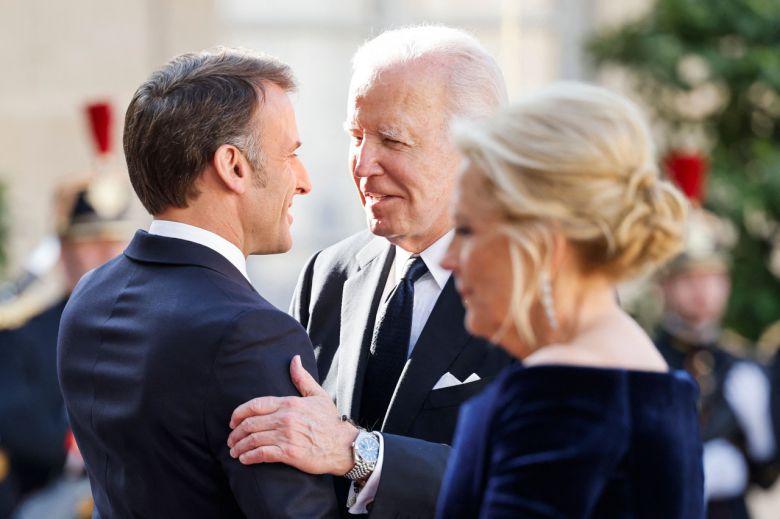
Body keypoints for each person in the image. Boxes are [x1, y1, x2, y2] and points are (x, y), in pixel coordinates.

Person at [227, 26, 513, 517]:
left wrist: (360, 455)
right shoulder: (330, 273)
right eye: (356, 137)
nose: (361, 165)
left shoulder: (545, 289)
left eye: (392, 140)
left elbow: (544, 482)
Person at [57, 47, 338, 518]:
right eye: (290, 154)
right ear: (233, 166)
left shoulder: (90, 297)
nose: (304, 181)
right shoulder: (251, 334)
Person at [435, 82, 704, 517]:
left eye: (466, 231)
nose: (449, 260)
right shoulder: (651, 376)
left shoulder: (560, 395)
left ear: (541, 242)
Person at [0, 102, 131, 519]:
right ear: (64, 251)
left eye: (114, 241)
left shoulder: (146, 326)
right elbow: (22, 426)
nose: (107, 254)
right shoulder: (21, 332)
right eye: (91, 243)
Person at [656, 153, 778, 519]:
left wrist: (761, 431)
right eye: (690, 279)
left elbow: (766, 476)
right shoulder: (645, 358)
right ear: (664, 285)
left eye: (713, 278)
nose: (703, 293)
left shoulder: (741, 363)